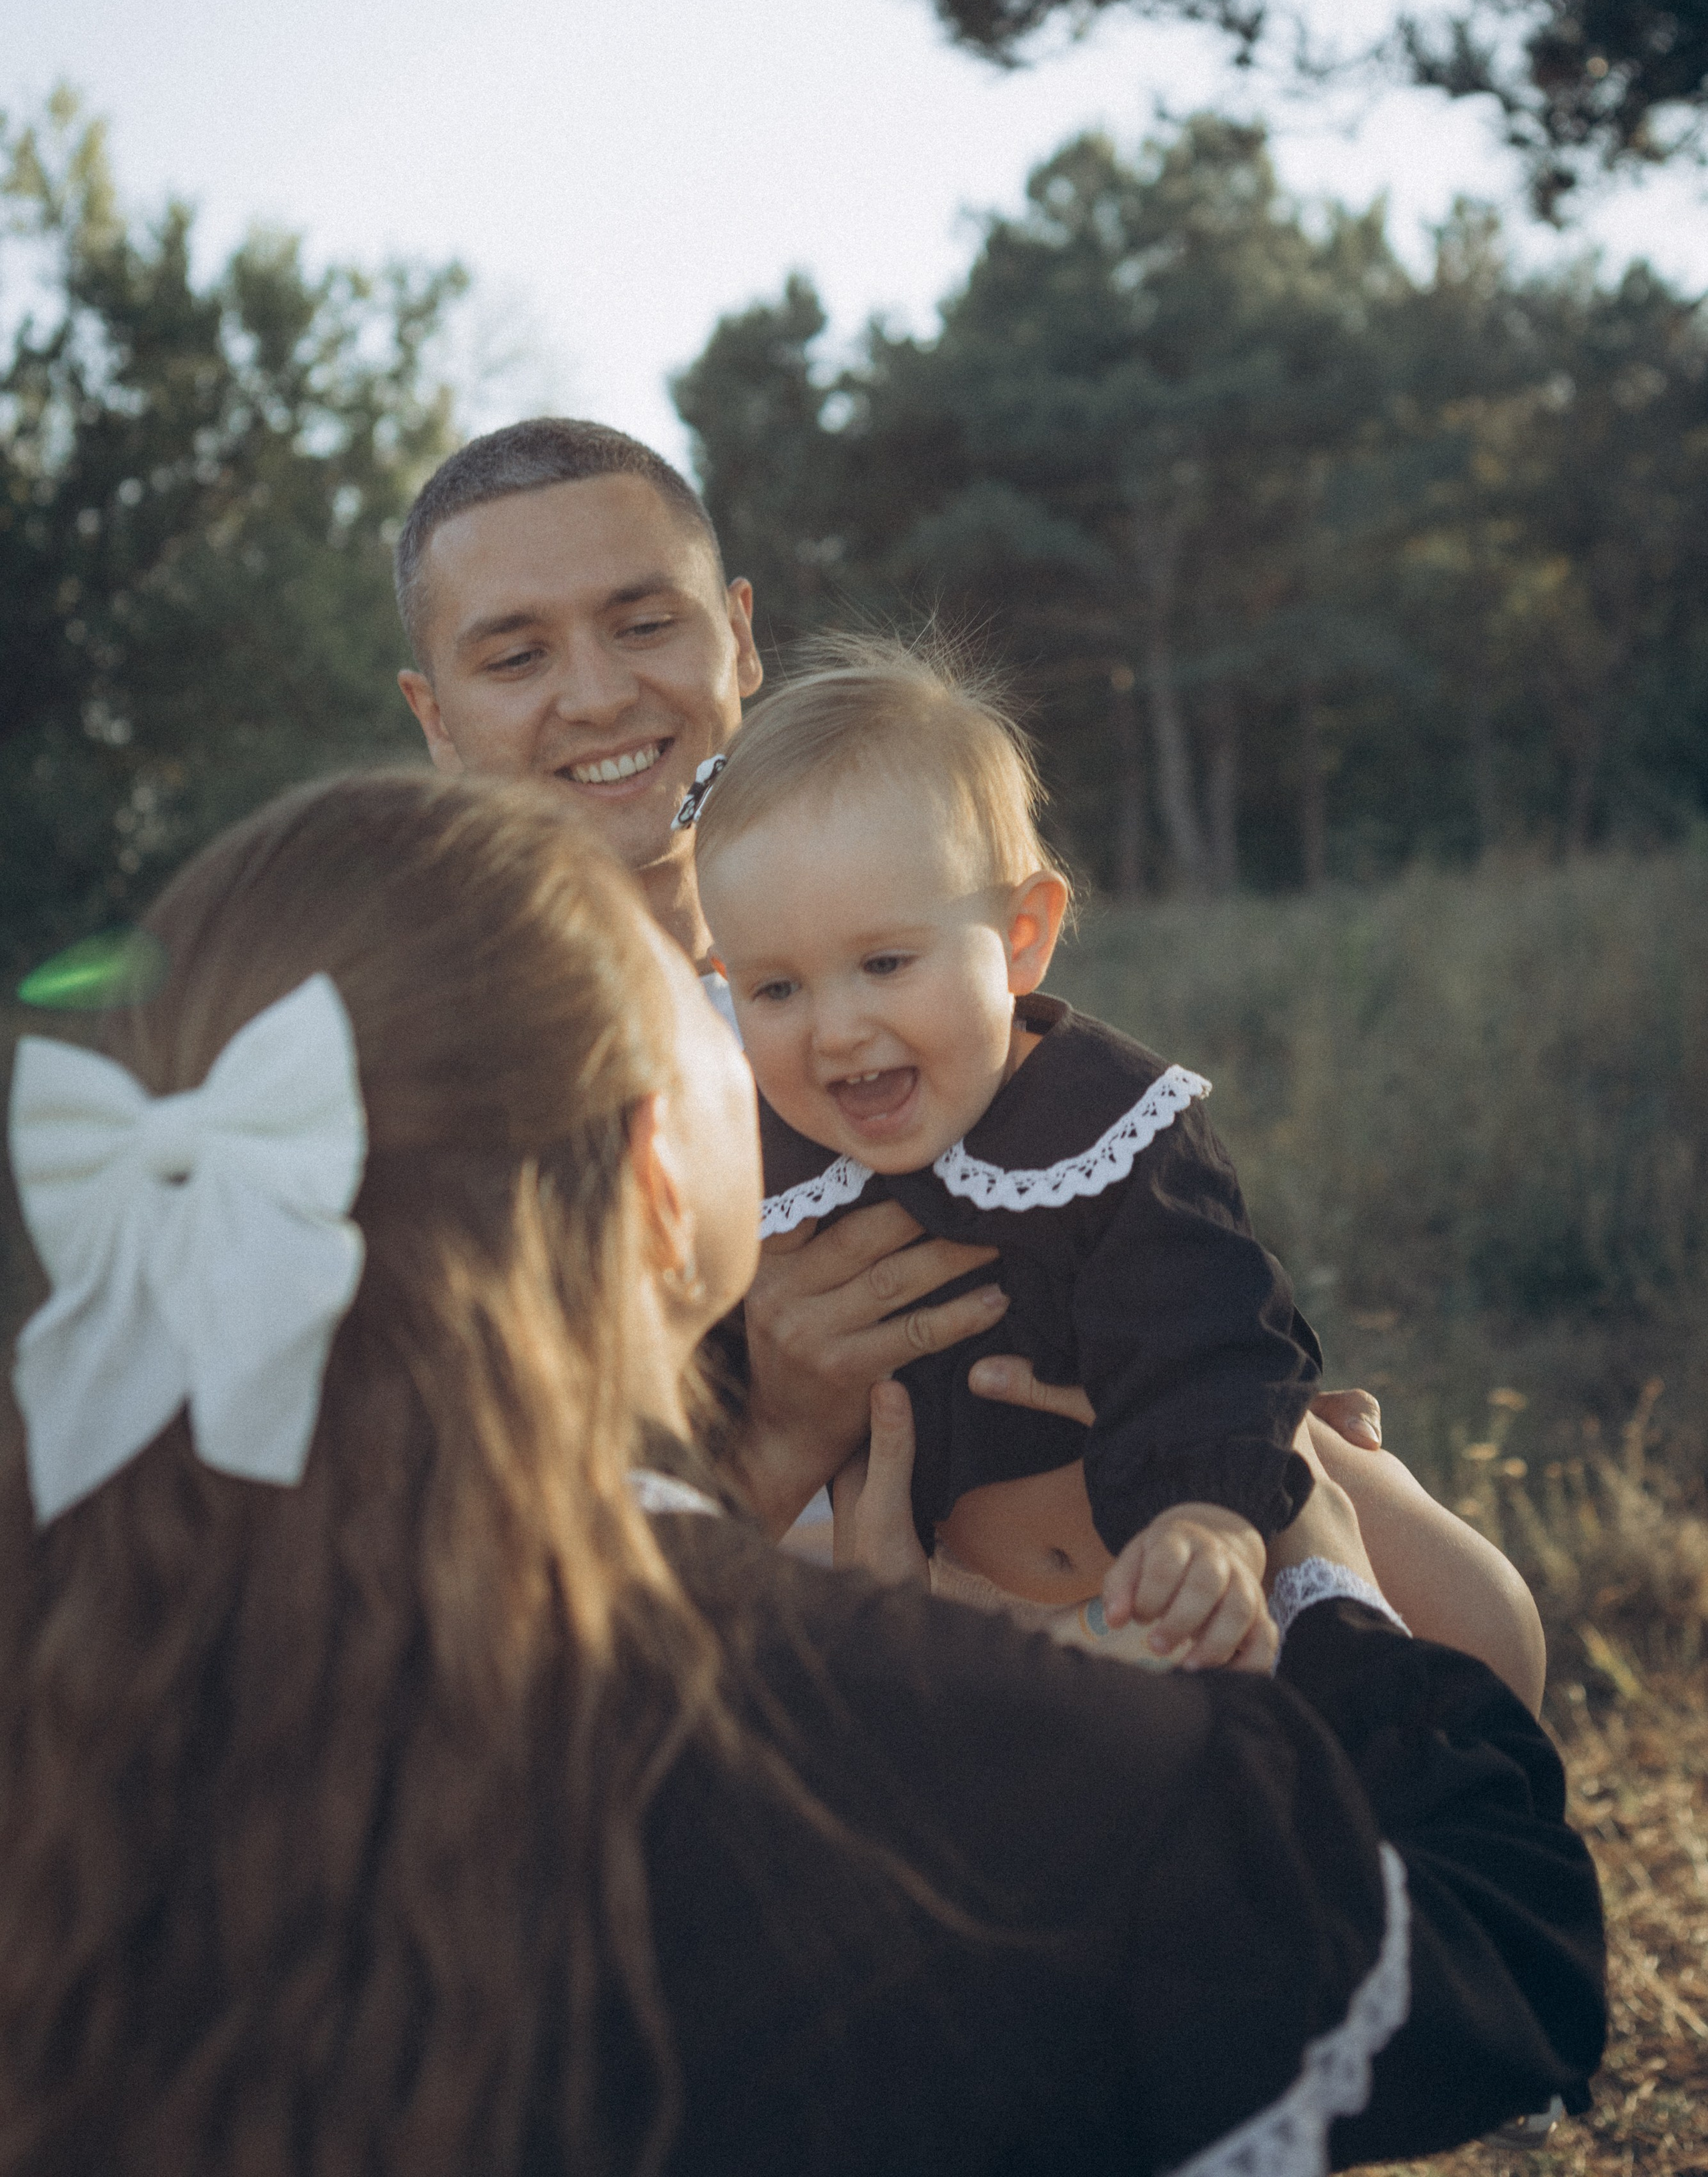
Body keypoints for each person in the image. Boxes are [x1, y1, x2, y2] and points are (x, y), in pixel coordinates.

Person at [2, 772, 1603, 2176]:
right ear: (654, 1172)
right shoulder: (952, 1743)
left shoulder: (88, 1660)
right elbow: (1502, 1962)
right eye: (721, 996)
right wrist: (1308, 1553)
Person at [388, 419, 1408, 1565]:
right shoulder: (419, 1106)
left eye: (644, 625)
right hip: (792, 1623)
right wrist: (780, 1437)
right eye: (516, 658)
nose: (595, 694)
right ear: (436, 718)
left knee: (1471, 1612)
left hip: (1127, 1525)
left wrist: (1230, 1390)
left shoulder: (901, 945)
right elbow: (485, 1587)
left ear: (739, 635)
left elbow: (1132, 1264)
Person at [694, 636, 1545, 1701]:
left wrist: (1214, 1517)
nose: (837, 1030)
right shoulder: (769, 1168)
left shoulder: (1105, 1123)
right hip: (981, 1607)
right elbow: (715, 1386)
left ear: (1021, 938)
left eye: (884, 963)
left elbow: (1218, 1340)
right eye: (776, 990)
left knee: (1466, 1661)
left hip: (1182, 1560)